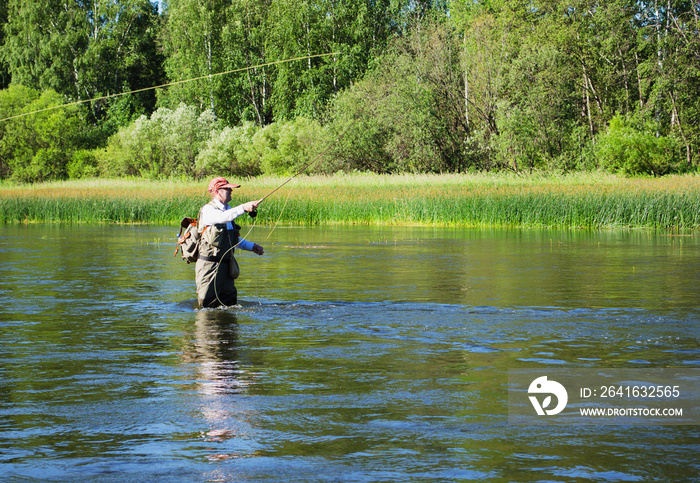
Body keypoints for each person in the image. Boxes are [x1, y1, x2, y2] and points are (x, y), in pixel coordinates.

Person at [195, 177, 264, 308]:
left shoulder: (229, 210)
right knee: (206, 304)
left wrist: (252, 246)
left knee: (229, 303)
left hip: (227, 266)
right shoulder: (208, 210)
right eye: (227, 189)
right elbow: (221, 218)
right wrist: (243, 207)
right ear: (218, 191)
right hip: (209, 266)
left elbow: (232, 239)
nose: (231, 191)